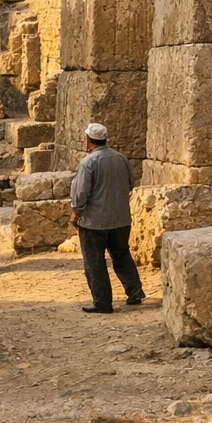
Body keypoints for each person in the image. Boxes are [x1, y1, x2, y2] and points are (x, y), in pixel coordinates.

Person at [69, 122, 145, 313]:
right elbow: (130, 184)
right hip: (121, 218)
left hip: (95, 222)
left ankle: (102, 302)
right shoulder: (120, 158)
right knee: (121, 253)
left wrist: (75, 213)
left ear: (88, 140)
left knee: (94, 260)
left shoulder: (88, 163)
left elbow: (81, 194)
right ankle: (134, 290)